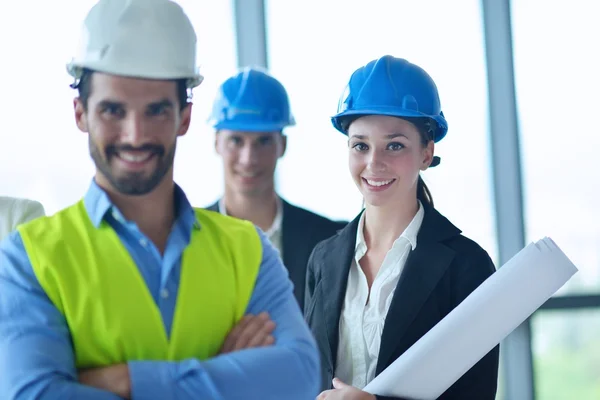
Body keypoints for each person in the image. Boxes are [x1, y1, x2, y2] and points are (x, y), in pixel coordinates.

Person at [0, 1, 320, 399]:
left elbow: (300, 375)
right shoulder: (29, 258)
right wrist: (225, 377)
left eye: (155, 111)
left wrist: (125, 381)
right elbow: (34, 395)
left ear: (184, 117)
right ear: (80, 113)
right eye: (113, 111)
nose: (135, 135)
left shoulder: (247, 248)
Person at [304, 55, 499, 400]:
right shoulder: (323, 259)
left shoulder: (467, 266)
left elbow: (475, 394)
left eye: (395, 145)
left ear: (427, 153)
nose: (373, 163)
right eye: (360, 145)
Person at [206, 67, 347, 307]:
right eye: (236, 141)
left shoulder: (330, 241)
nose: (248, 158)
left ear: (282, 145)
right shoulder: (185, 236)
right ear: (217, 142)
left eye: (263, 141)